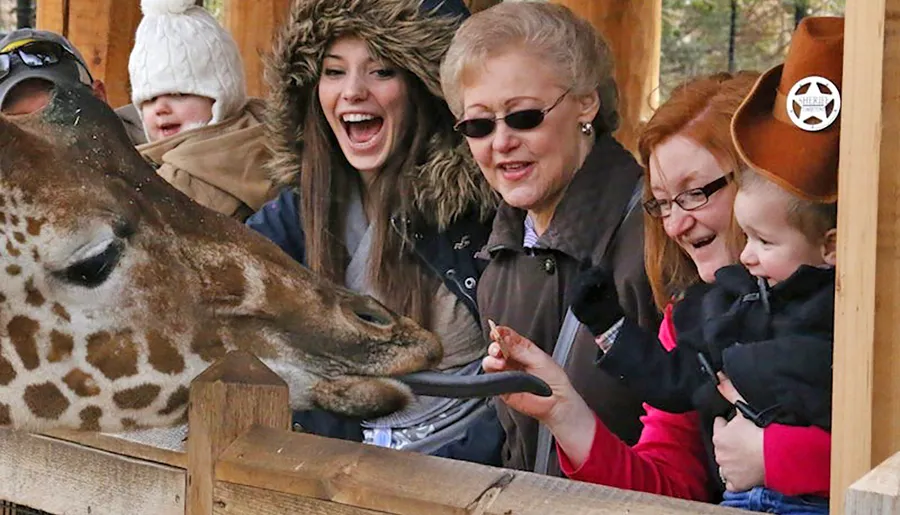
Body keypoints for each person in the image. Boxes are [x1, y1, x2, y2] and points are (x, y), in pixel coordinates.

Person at [482, 17, 839, 506]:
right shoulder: (689, 317)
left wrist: (773, 452)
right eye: (662, 203)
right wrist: (562, 409)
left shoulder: (852, 304)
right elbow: (668, 490)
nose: (674, 226)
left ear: (759, 180)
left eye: (693, 193)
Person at [246, 0, 500, 463]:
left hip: (474, 473)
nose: (353, 92)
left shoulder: (486, 212)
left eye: (381, 71)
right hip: (337, 472)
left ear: (426, 87)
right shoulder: (299, 213)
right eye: (333, 71)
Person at [439, 2, 658, 476]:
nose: (500, 142)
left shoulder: (662, 239)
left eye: (523, 117)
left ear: (586, 103)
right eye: (478, 125)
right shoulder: (498, 267)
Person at [127, 0, 275, 221]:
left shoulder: (185, 177)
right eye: (149, 100)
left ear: (221, 98)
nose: (161, 108)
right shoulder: (261, 131)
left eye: (179, 94)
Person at [0, 28, 145, 143]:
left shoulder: (158, 146)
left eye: (56, 116)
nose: (42, 137)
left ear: (99, 98)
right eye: (20, 126)